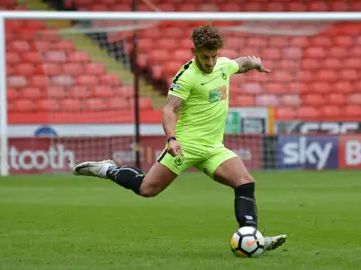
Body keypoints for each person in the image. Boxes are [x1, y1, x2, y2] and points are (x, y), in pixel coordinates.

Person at [73, 24, 286, 252]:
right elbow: (169, 110)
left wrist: (255, 64)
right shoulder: (187, 77)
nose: (211, 62)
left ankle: (253, 237)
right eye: (205, 57)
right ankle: (109, 170)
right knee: (147, 189)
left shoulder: (223, 66)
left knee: (245, 182)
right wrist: (171, 139)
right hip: (185, 146)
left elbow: (240, 63)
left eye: (214, 56)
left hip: (213, 148)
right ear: (194, 52)